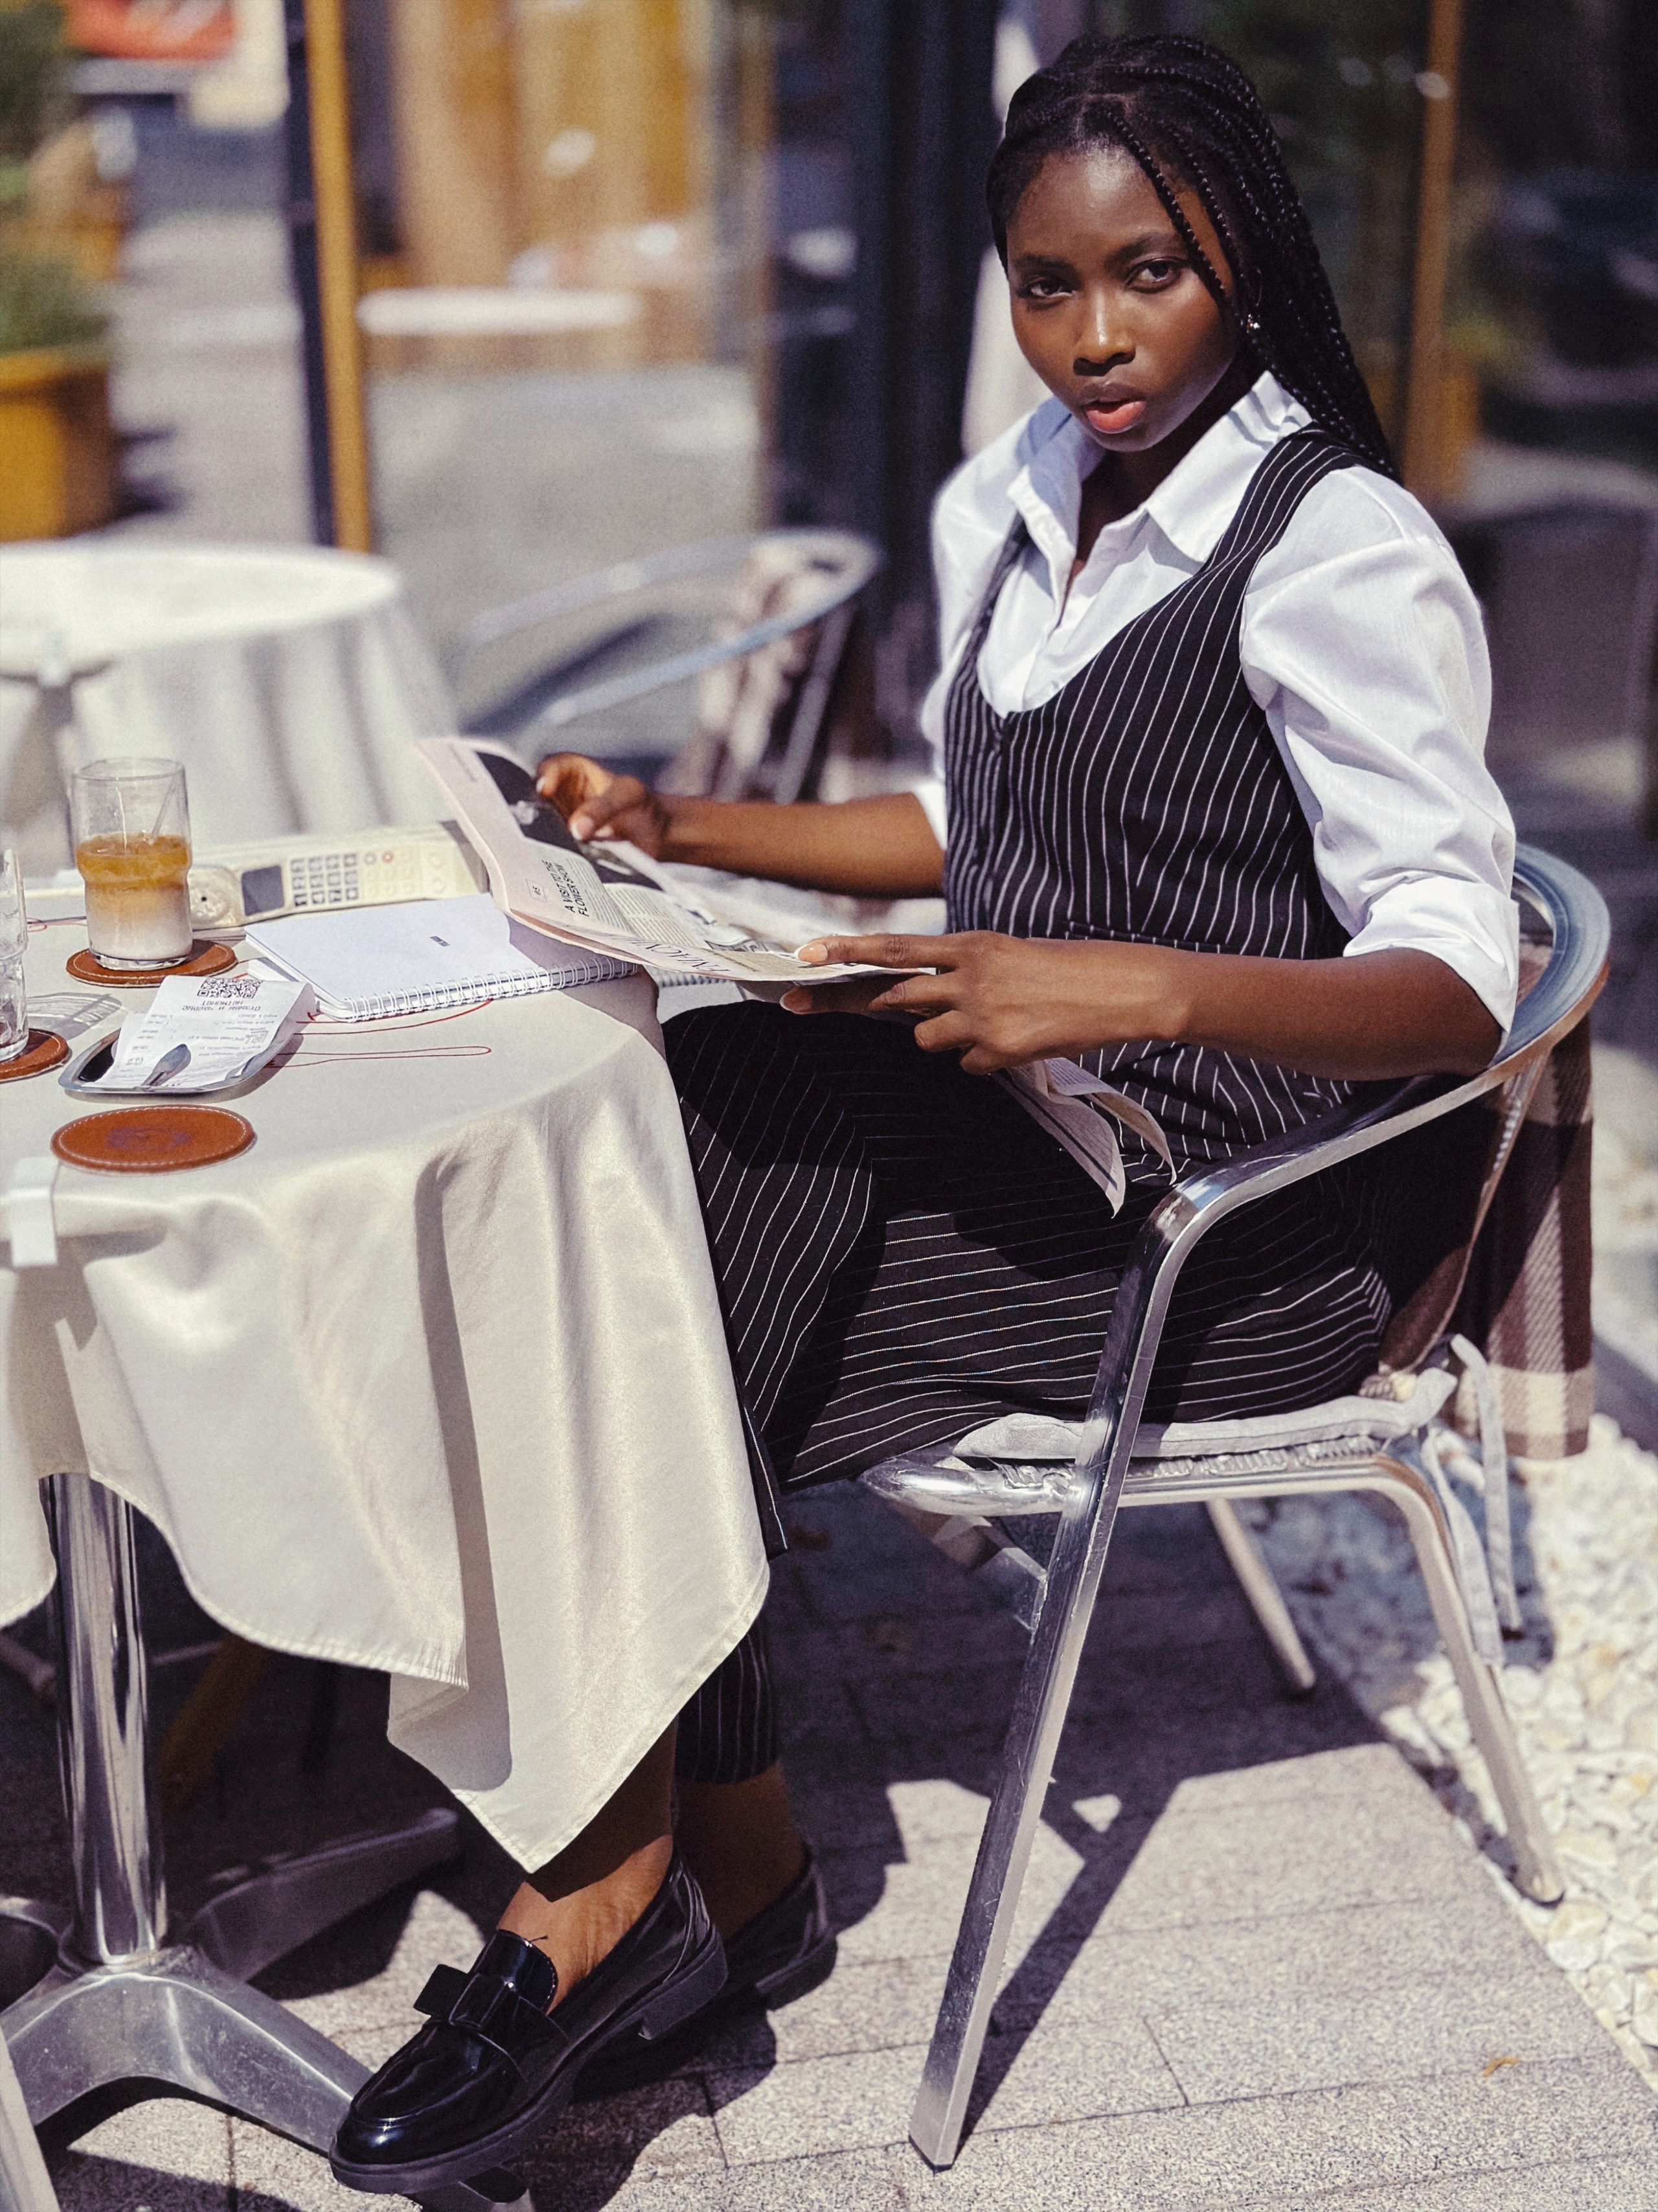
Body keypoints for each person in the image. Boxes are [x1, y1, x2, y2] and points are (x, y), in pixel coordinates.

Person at [331, 30, 1517, 2192]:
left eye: (1147, 275)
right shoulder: (1045, 499)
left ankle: (621, 1869)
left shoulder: (1338, 547)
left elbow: (1463, 985)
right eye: (1047, 289)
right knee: (673, 1116)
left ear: (1242, 257)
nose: (1095, 339)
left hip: (1242, 1233)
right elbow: (981, 812)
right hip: (1058, 1147)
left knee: (703, 1196)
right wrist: (681, 820)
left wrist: (1136, 982)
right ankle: (726, 1858)